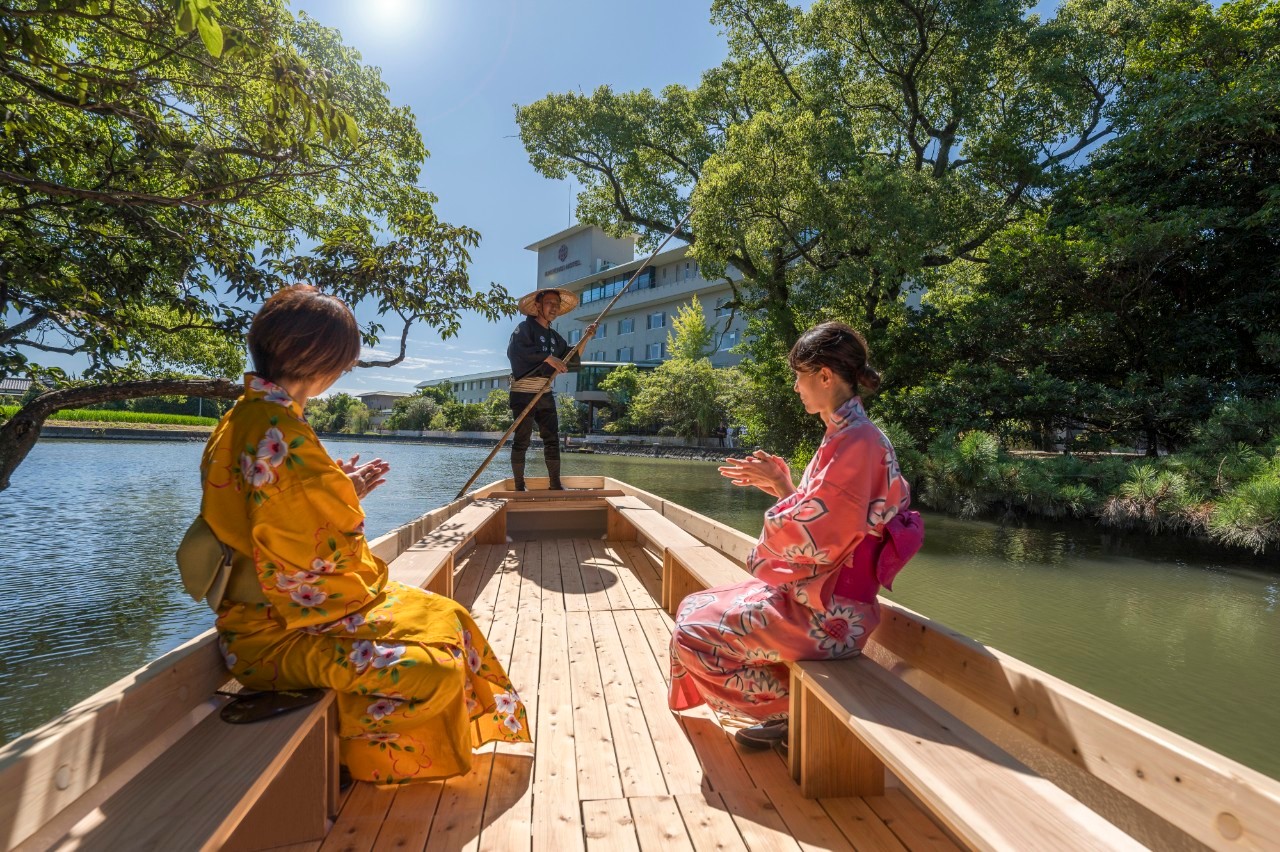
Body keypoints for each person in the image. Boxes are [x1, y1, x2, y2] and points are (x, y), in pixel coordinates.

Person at [200, 284, 530, 784]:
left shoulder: (250, 418)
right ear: (317, 359)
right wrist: (343, 497)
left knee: (448, 615)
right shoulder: (276, 429)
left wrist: (343, 491)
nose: (344, 372)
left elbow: (287, 517)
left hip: (279, 612)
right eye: (343, 362)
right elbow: (308, 557)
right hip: (276, 635)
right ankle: (336, 749)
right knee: (435, 674)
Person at [667, 321, 921, 749]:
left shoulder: (858, 441)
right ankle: (788, 714)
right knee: (696, 604)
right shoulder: (847, 436)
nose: (795, 386)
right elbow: (822, 519)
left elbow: (814, 532)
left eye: (799, 375)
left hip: (831, 613)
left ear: (824, 375)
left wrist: (784, 503)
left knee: (693, 632)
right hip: (825, 595)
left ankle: (793, 712)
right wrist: (784, 487)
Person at [506, 287, 596, 490]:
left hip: (544, 392)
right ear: (537, 306)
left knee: (552, 439)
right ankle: (519, 485)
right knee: (522, 440)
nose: (553, 307)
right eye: (549, 303)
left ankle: (555, 483)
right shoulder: (524, 329)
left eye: (557, 304)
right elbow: (517, 352)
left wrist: (586, 337)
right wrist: (548, 358)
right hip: (523, 391)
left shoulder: (555, 337)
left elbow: (569, 357)